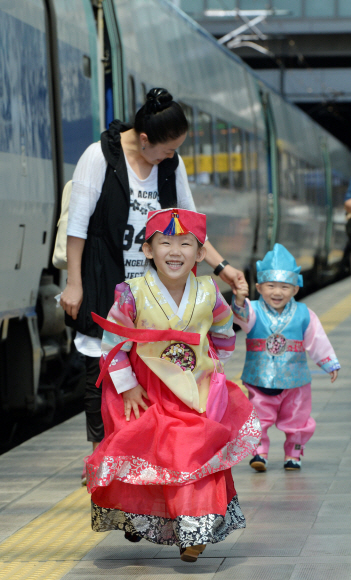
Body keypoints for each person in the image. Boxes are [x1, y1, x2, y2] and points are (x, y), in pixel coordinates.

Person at [59, 89, 246, 473]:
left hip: (157, 283)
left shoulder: (169, 165)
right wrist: (74, 282)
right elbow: (77, 226)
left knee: (151, 371)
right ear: (144, 139)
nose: (170, 157)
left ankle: (139, 451)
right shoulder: (99, 157)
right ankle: (102, 452)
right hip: (105, 273)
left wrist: (221, 266)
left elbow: (192, 222)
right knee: (102, 363)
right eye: (165, 149)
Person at [85, 208, 261, 561]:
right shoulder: (131, 293)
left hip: (194, 393)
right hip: (145, 392)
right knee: (149, 455)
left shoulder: (210, 292)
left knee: (193, 455)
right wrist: (128, 386)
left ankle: (192, 532)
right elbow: (112, 344)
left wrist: (215, 369)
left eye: (186, 243)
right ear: (148, 250)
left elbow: (225, 333)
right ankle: (142, 518)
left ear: (200, 253)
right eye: (165, 242)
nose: (175, 251)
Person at [232, 243, 340, 472]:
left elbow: (316, 339)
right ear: (259, 288)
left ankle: (294, 454)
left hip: (296, 380)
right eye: (271, 286)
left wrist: (328, 362)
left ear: (295, 289)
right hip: (259, 379)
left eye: (284, 286)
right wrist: (240, 301)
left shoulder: (304, 314)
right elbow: (240, 319)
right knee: (257, 417)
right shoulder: (252, 310)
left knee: (298, 419)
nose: (277, 292)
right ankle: (259, 453)